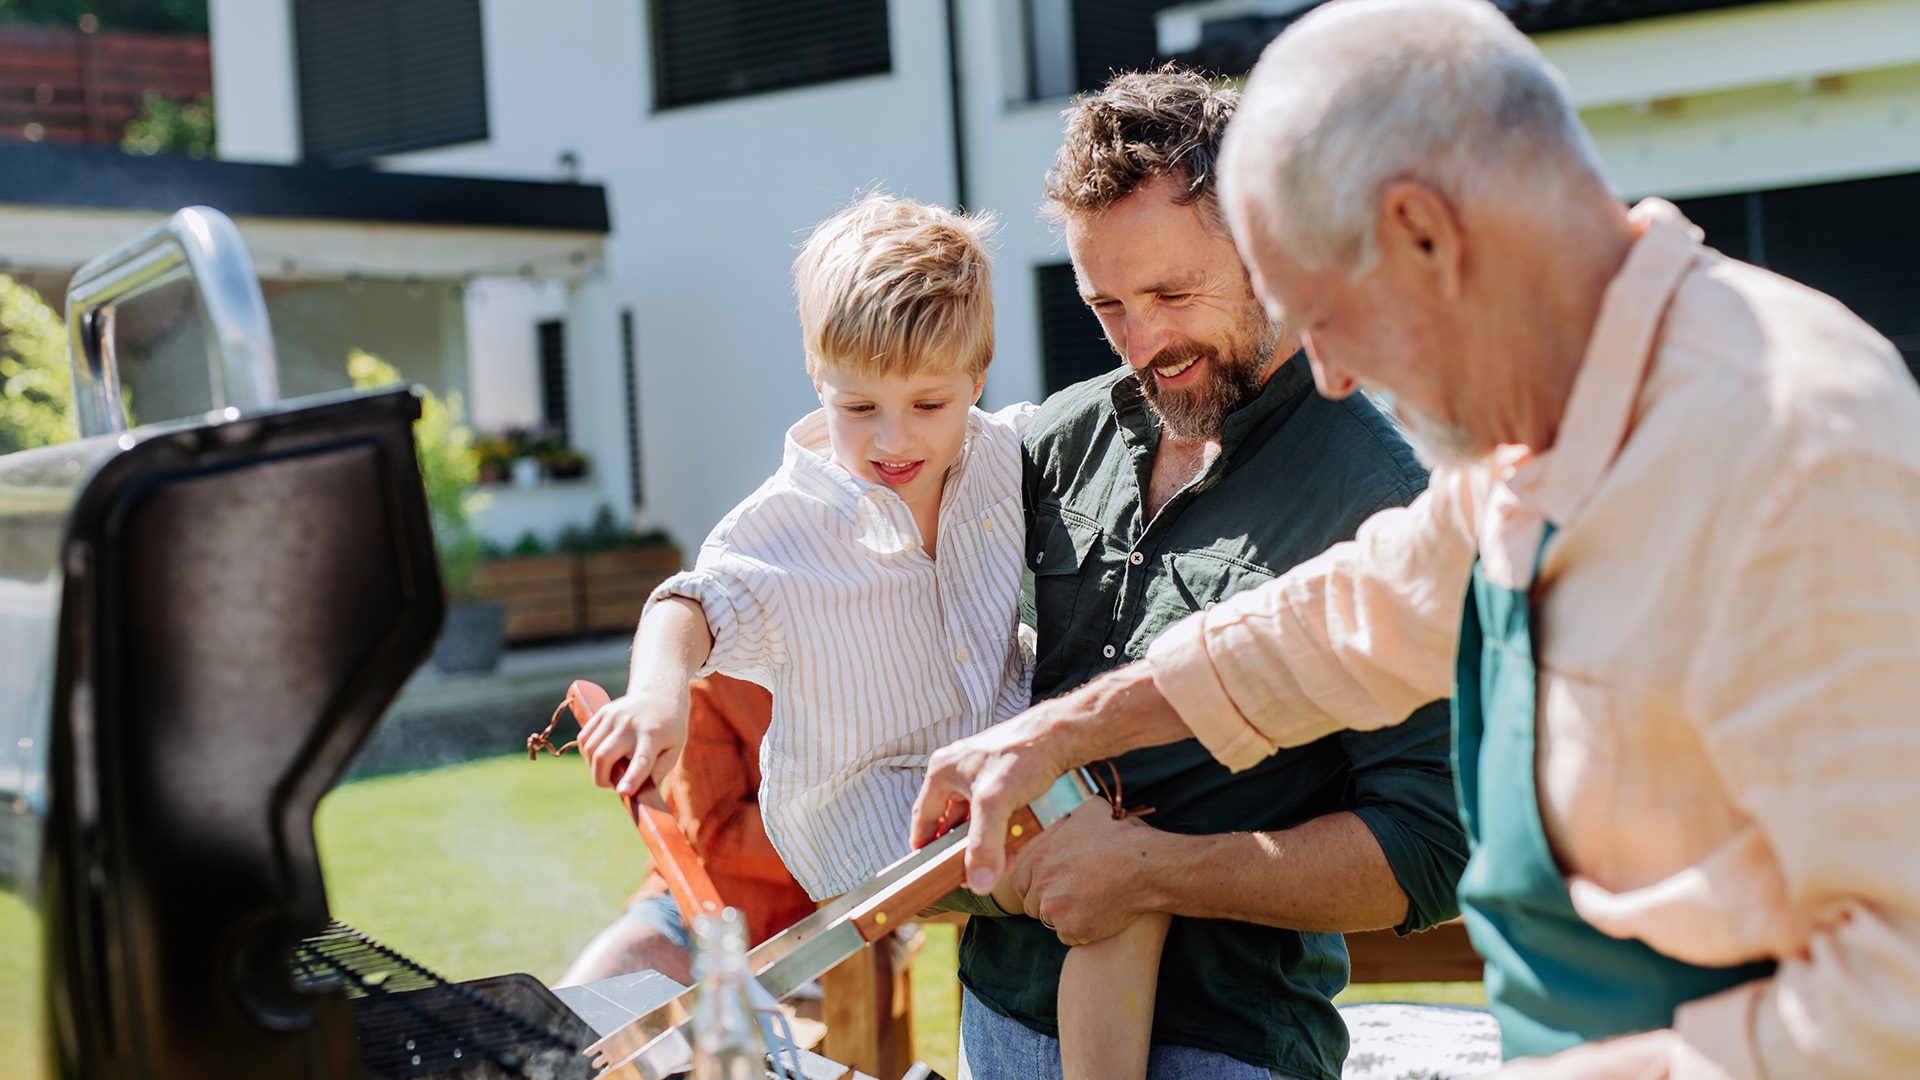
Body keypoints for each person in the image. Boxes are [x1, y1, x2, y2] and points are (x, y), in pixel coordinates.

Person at [910, 3, 1920, 1079]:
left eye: (1328, 313)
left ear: (1424, 233)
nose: (1333, 374)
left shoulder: (1795, 455)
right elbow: (1353, 618)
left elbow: (1893, 994)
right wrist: (1060, 732)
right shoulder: (1547, 425)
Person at [574, 194, 1172, 1080]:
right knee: (1113, 889)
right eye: (858, 407)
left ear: (978, 376)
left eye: (928, 403)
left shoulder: (1001, 455)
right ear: (817, 373)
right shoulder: (784, 527)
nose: (893, 440)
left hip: (988, 771)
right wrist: (658, 695)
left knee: (1127, 859)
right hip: (868, 818)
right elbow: (686, 605)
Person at [948, 69, 1468, 1080]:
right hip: (997, 1017)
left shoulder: (1384, 502)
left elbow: (1428, 849)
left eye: (1173, 295)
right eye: (1107, 306)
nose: (1142, 344)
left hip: (1226, 1047)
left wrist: (1157, 875)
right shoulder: (1054, 440)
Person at [559, 674, 813, 987]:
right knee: (575, 1003)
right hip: (693, 911)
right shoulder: (715, 678)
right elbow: (720, 832)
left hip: (822, 921)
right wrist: (832, 833)